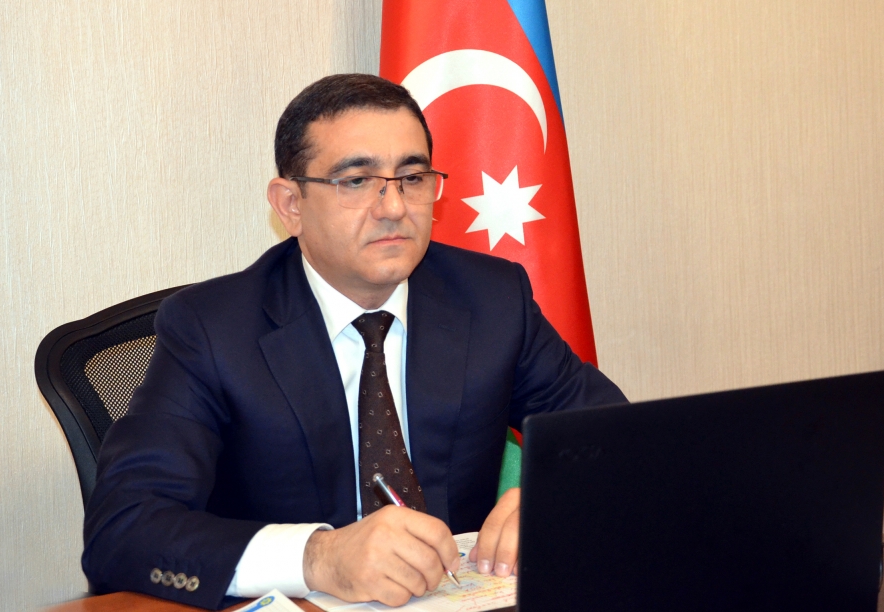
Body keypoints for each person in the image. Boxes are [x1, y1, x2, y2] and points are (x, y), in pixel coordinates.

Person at [82, 74, 626, 610]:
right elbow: (123, 528)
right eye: (357, 181)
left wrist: (555, 496)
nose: (393, 207)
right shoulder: (211, 329)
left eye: (412, 177)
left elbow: (616, 437)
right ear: (291, 205)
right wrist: (319, 557)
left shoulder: (492, 299)